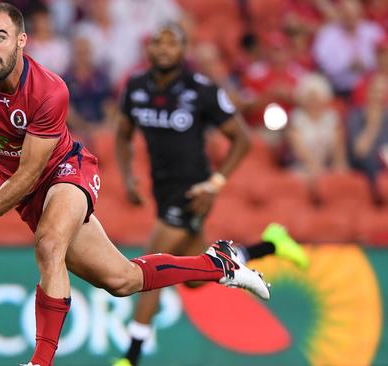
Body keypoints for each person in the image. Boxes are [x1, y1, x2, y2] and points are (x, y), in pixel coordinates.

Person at [0, 4, 270, 366]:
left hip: (65, 170)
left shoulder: (48, 90)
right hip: (28, 194)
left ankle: (40, 362)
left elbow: (31, 172)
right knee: (122, 280)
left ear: (21, 41)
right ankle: (217, 263)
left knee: (49, 244)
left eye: (0, 37)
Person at [111, 24, 309, 366]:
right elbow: (122, 134)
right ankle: (270, 245)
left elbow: (242, 139)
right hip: (162, 189)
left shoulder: (199, 89)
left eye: (172, 42)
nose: (163, 48)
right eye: (158, 42)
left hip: (194, 189)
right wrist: (128, 178)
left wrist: (214, 184)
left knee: (149, 267)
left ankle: (130, 357)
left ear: (183, 50)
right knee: (195, 279)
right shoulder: (136, 87)